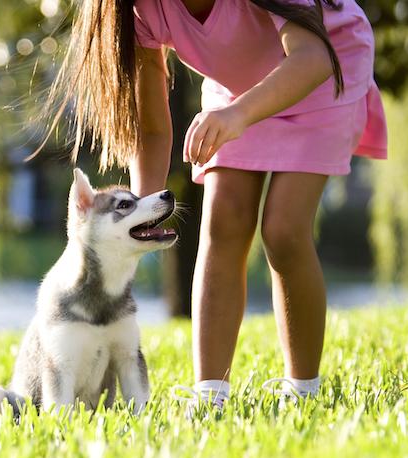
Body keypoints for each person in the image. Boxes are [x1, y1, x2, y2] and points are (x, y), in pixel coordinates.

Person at [45, 0, 388, 410]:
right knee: (223, 223)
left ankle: (303, 392)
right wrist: (140, 215)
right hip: (238, 90)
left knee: (282, 230)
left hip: (324, 68)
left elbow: (313, 58)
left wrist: (238, 115)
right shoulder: (143, 9)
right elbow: (152, 128)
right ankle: (211, 395)